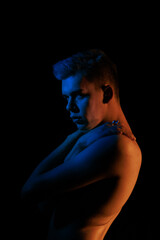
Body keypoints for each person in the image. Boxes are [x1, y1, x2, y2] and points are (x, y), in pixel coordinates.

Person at [21, 49, 142, 240]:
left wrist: (76, 142)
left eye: (78, 95)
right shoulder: (96, 136)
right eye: (66, 98)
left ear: (107, 93)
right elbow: (44, 207)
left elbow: (29, 191)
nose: (69, 107)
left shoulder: (117, 145)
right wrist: (75, 138)